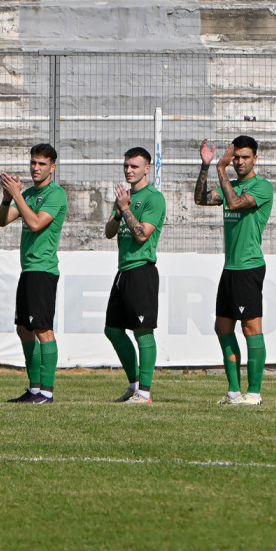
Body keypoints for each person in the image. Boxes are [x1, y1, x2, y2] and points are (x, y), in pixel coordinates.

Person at [195, 136, 273, 406]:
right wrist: (206, 166)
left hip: (249, 267)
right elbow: (201, 200)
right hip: (230, 267)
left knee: (251, 328)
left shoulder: (262, 186)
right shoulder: (232, 185)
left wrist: (220, 169)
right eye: (236, 157)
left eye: (245, 157)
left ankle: (254, 393)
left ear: (255, 159)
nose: (239, 162)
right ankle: (232, 391)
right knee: (223, 326)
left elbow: (237, 203)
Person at [0, 143, 66, 404]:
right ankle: (34, 388)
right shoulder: (26, 193)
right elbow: (1, 221)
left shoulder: (56, 194)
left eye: (41, 164)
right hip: (28, 269)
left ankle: (46, 392)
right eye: (33, 163)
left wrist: (17, 195)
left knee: (43, 329)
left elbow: (36, 223)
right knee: (24, 329)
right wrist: (8, 197)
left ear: (52, 168)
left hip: (43, 269)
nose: (36, 168)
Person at [103, 147, 165, 404]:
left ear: (147, 169)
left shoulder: (154, 198)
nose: (129, 170)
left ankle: (145, 393)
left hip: (141, 270)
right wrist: (118, 212)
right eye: (126, 165)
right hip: (123, 271)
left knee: (143, 331)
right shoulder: (124, 199)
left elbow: (141, 234)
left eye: (135, 166)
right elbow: (108, 232)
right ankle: (134, 385)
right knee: (113, 330)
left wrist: (126, 209)